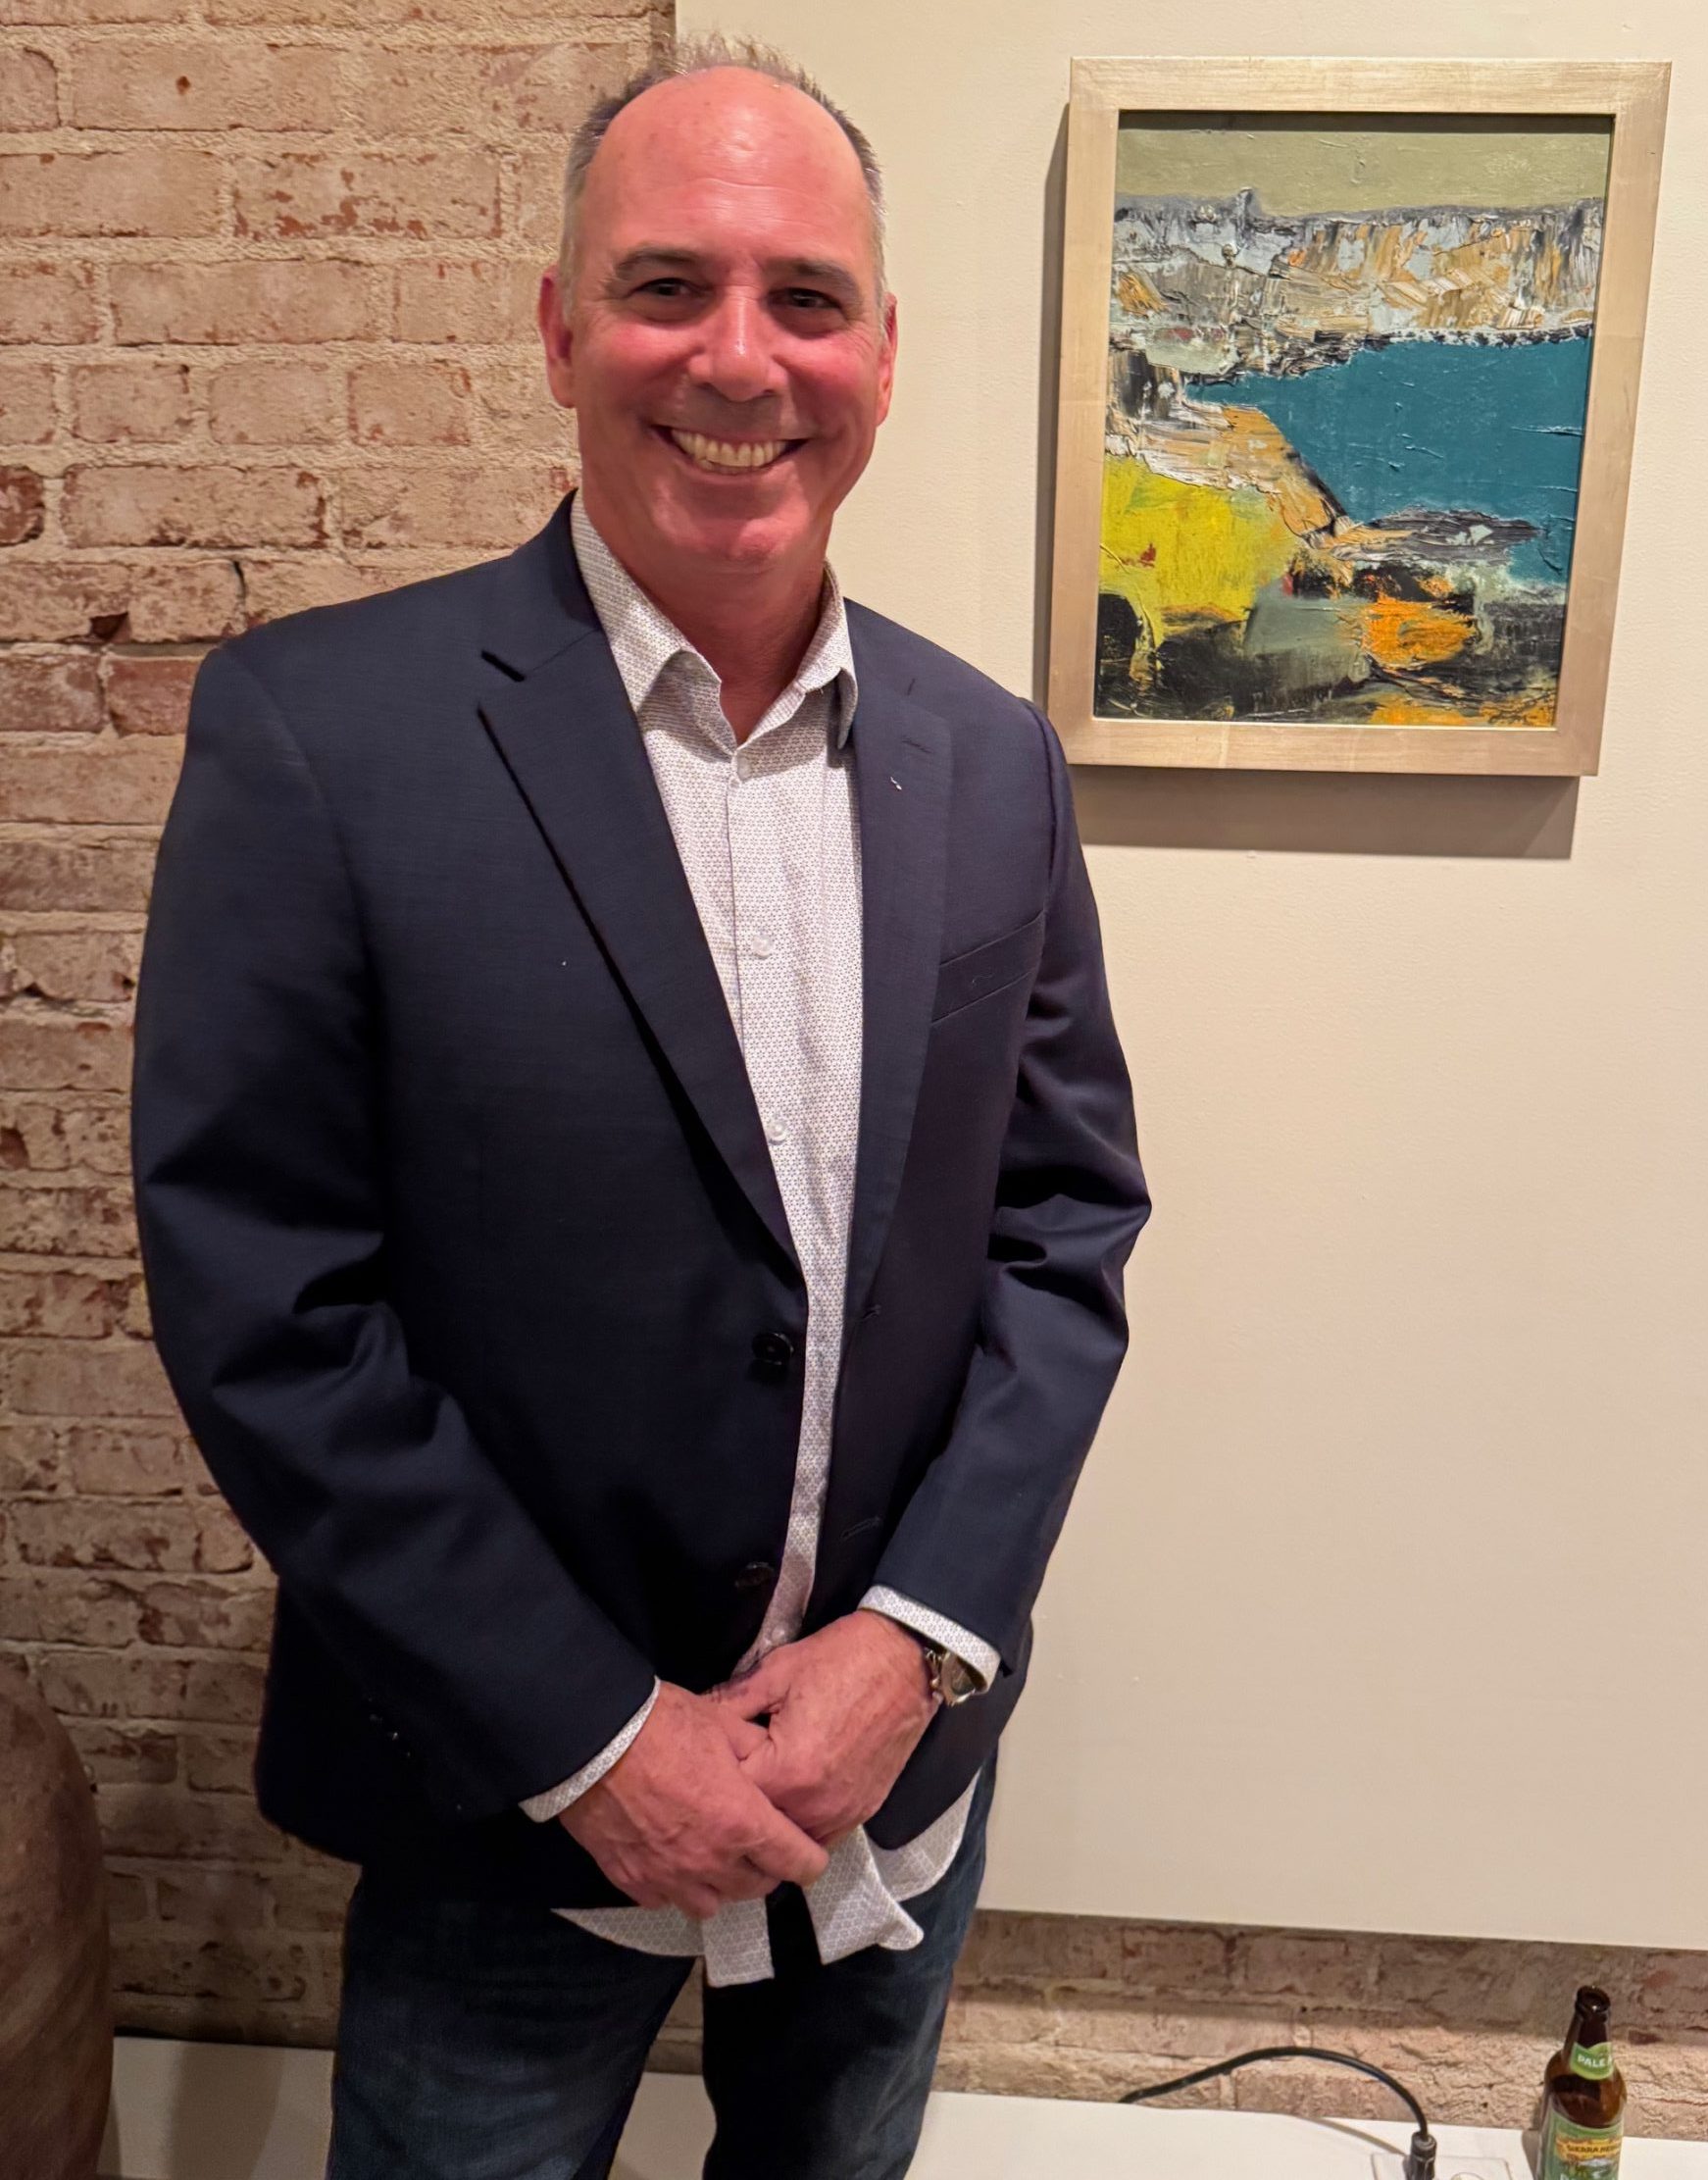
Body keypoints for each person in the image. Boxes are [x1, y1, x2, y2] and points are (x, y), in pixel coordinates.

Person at [130, 33, 1149, 2180]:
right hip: (514, 1802)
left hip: (891, 1785)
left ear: (886, 350)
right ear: (561, 328)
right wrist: (595, 1734)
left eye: (807, 298)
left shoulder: (994, 759)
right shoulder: (320, 734)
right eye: (669, 286)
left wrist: (916, 1644)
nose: (740, 359)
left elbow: (1065, 1231)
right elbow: (269, 1306)